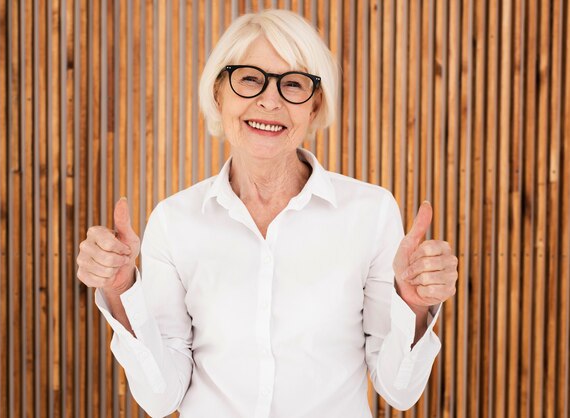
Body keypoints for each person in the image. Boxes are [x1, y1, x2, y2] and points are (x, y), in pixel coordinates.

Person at [76, 9, 458, 418]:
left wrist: (413, 305)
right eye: (249, 78)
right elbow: (161, 397)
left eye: (293, 83)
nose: (270, 100)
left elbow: (399, 391)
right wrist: (120, 291)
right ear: (219, 94)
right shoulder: (174, 222)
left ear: (314, 107)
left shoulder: (372, 212)